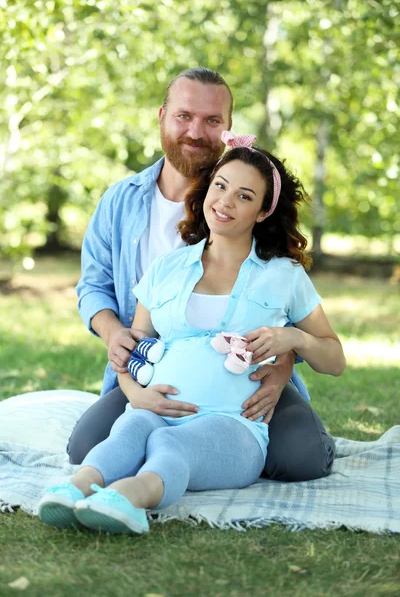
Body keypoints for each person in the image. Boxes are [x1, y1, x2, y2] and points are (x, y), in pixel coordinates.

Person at [38, 133, 346, 534]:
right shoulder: (168, 267)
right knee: (132, 428)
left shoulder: (283, 275)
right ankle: (73, 489)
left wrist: (295, 340)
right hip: (155, 407)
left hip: (231, 422)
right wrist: (136, 395)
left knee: (172, 446)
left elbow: (335, 360)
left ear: (263, 212)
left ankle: (129, 498)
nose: (225, 202)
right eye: (220, 186)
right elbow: (135, 348)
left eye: (244, 196)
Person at [67, 67, 336, 482]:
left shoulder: (251, 197)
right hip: (152, 371)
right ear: (162, 116)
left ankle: (222, 448)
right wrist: (115, 337)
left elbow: (283, 303)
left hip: (243, 383)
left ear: (229, 129)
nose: (196, 131)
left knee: (299, 460)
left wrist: (286, 358)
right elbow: (93, 286)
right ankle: (172, 452)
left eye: (212, 121)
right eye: (184, 116)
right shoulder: (121, 202)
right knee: (85, 448)